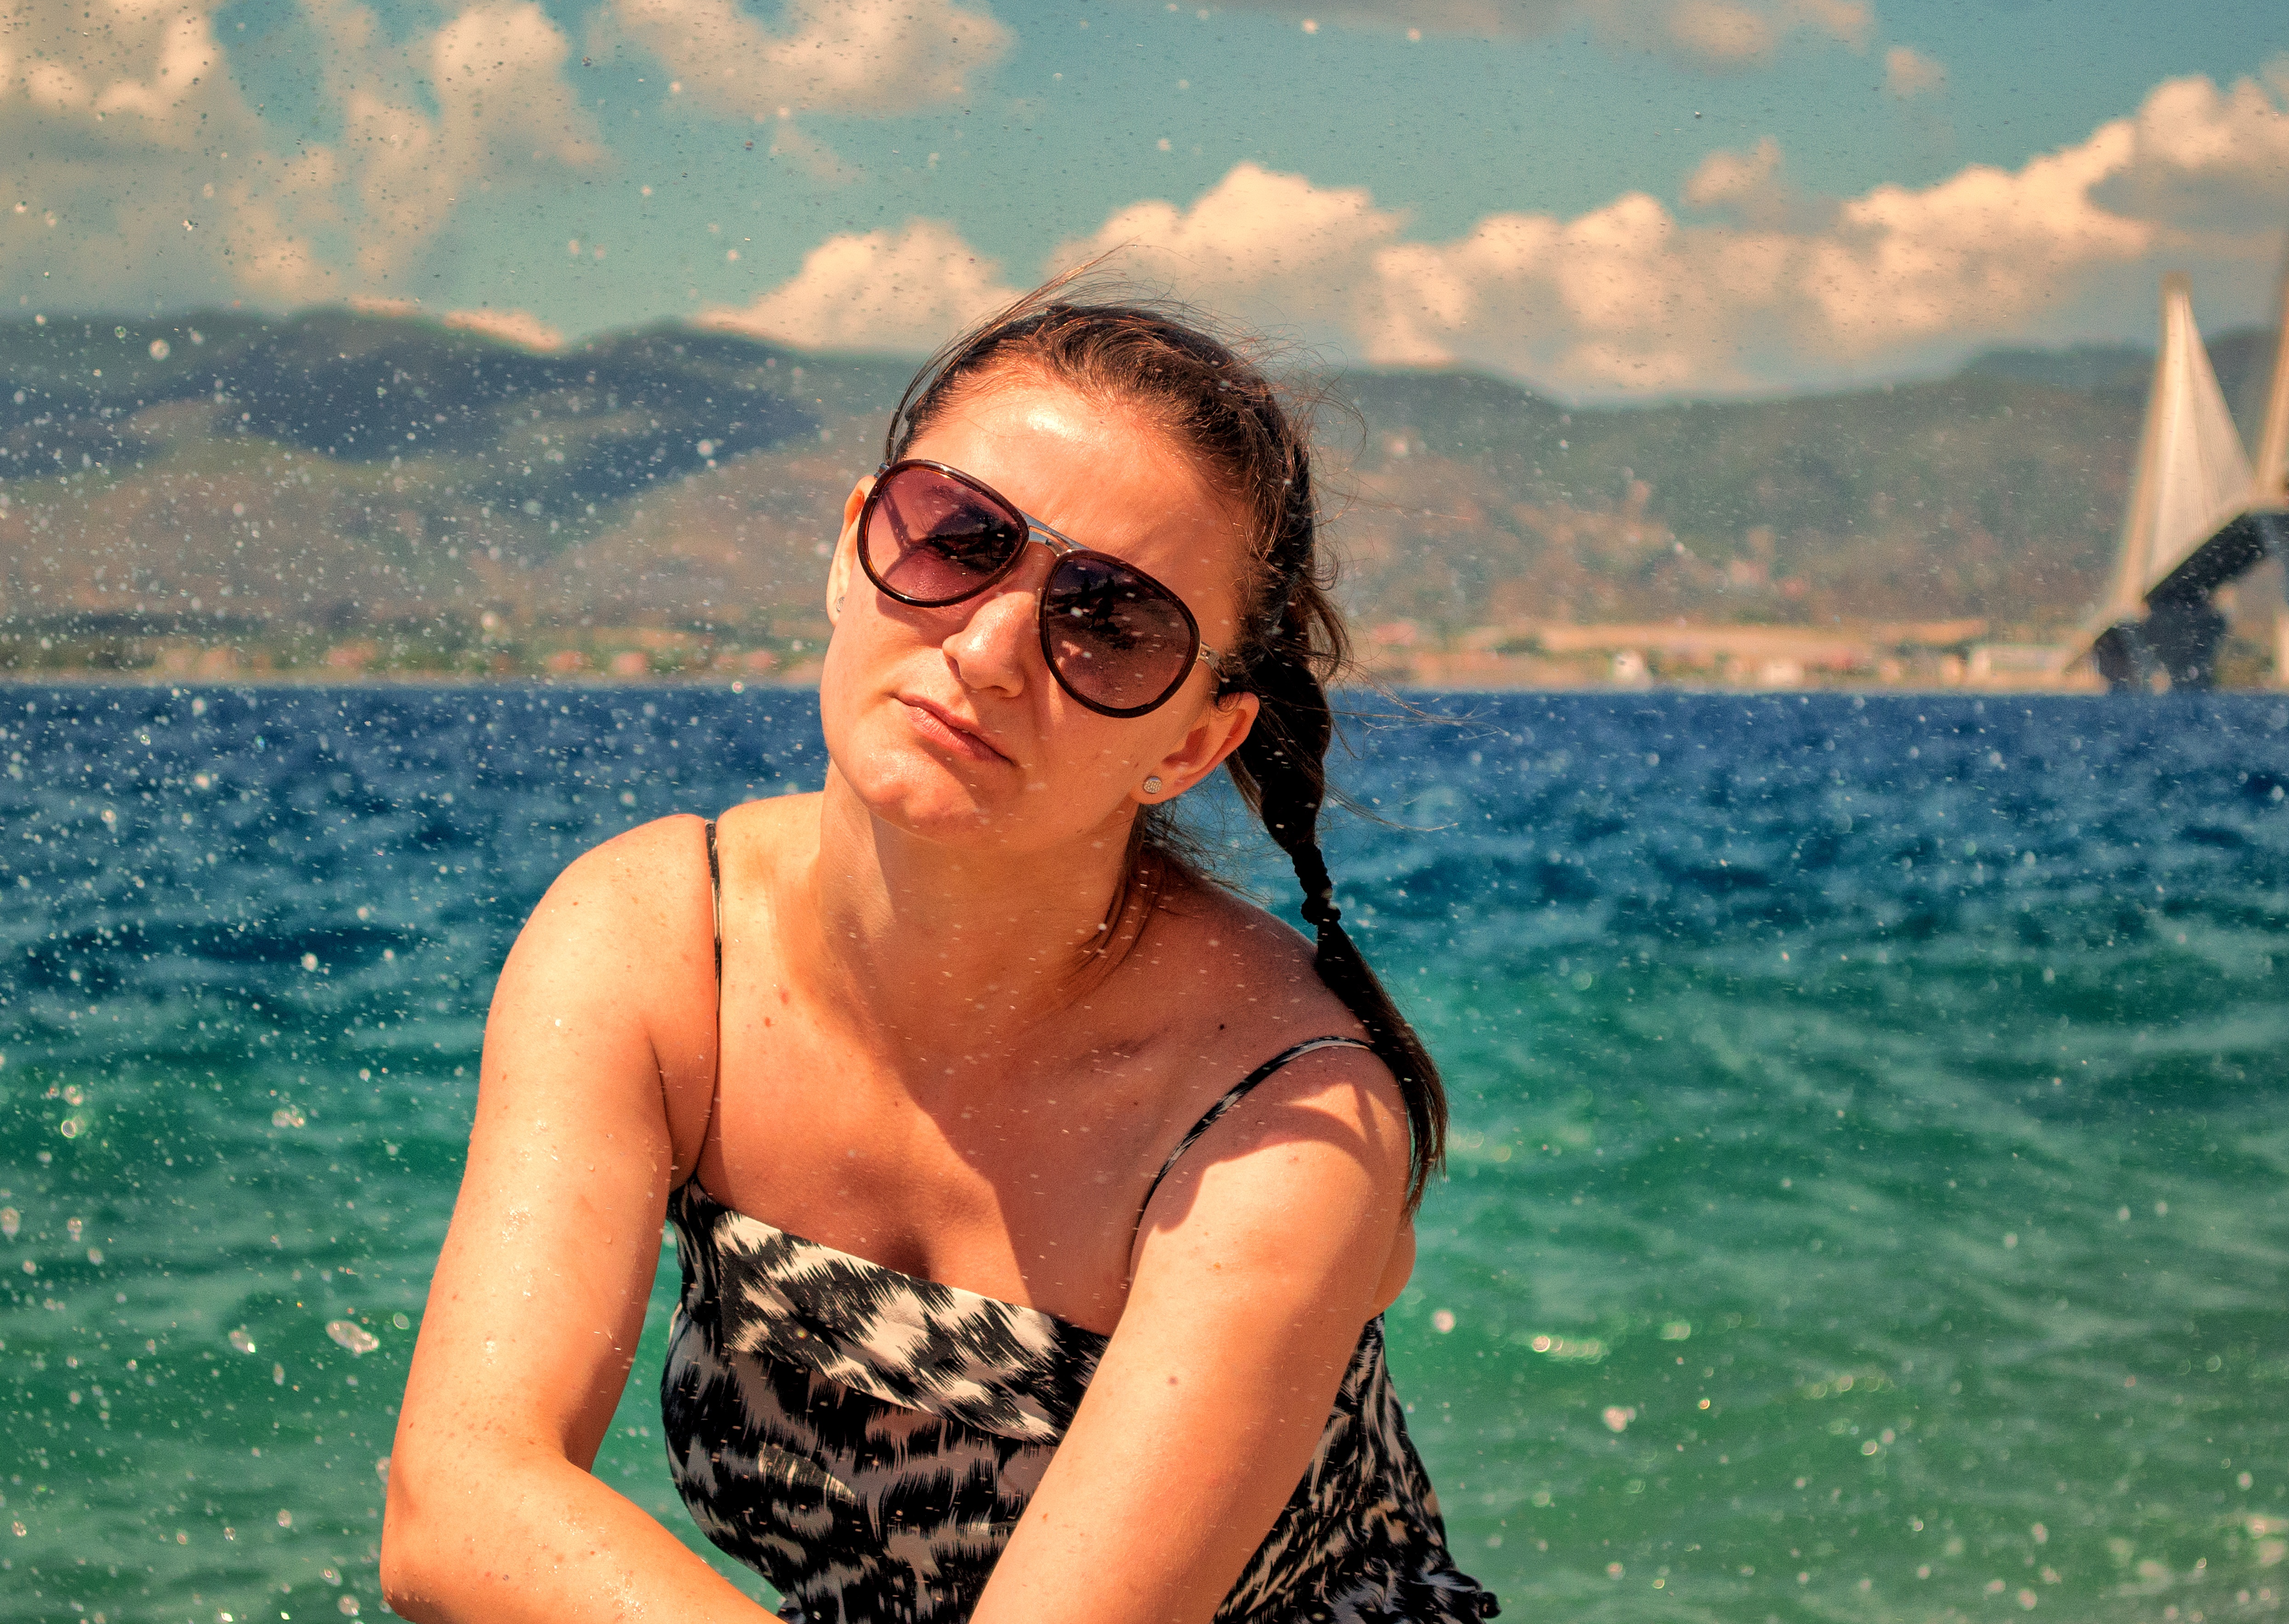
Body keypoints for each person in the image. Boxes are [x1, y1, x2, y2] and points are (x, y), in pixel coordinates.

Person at [380, 288, 1498, 1624]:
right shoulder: (656, 943)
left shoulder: (1283, 1130)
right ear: (855, 547)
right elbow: (455, 1502)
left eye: (1112, 622)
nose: (988, 650)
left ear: (1192, 744)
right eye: (957, 540)